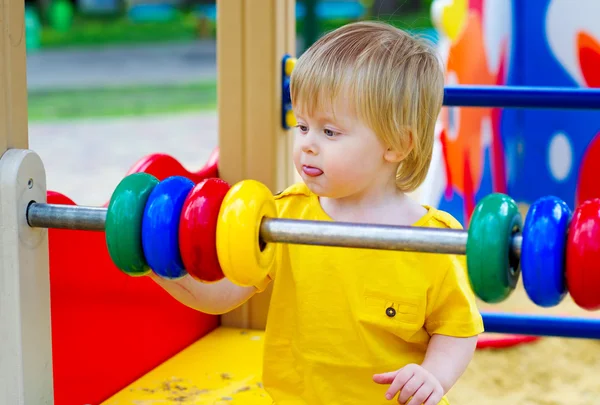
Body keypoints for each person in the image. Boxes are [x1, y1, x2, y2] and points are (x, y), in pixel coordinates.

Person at [150, 21, 484, 405]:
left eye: (329, 132)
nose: (307, 145)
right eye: (303, 126)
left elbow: (458, 329)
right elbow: (223, 296)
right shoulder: (284, 217)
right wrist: (158, 264)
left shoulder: (432, 240)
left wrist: (433, 376)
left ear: (396, 143)